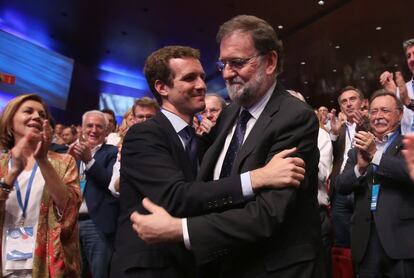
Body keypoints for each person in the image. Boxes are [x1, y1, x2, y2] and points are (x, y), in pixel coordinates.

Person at [130, 15, 322, 278]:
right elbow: (205, 186)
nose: (228, 73)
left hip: (273, 268)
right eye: (224, 64)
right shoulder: (230, 114)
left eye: (238, 63)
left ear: (270, 62)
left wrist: (181, 229)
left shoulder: (294, 117)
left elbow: (267, 214)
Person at [0, 94, 81, 277]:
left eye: (42, 115)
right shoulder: (2, 165)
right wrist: (12, 175)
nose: (37, 116)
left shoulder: (63, 162)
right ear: (10, 120)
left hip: (47, 264)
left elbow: (70, 210)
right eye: (28, 111)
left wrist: (43, 161)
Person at [336, 92, 414, 277]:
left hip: (401, 242)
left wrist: (376, 156)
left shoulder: (409, 144)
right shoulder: (358, 150)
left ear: (400, 114)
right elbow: (341, 186)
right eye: (374, 111)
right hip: (365, 243)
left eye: (385, 111)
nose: (378, 116)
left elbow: (408, 172)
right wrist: (360, 169)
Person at [68, 110, 118, 278]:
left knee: (99, 273)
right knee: (74, 273)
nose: (94, 130)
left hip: (96, 223)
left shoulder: (112, 152)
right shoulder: (71, 153)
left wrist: (89, 160)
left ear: (106, 131)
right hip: (72, 223)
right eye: (89, 126)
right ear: (81, 129)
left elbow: (111, 183)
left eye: (99, 127)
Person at [379, 38, 414, 134]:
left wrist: (409, 104)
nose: (412, 59)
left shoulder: (405, 96)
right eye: (408, 56)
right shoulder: (401, 91)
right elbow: (393, 125)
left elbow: (407, 101)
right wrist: (393, 96)